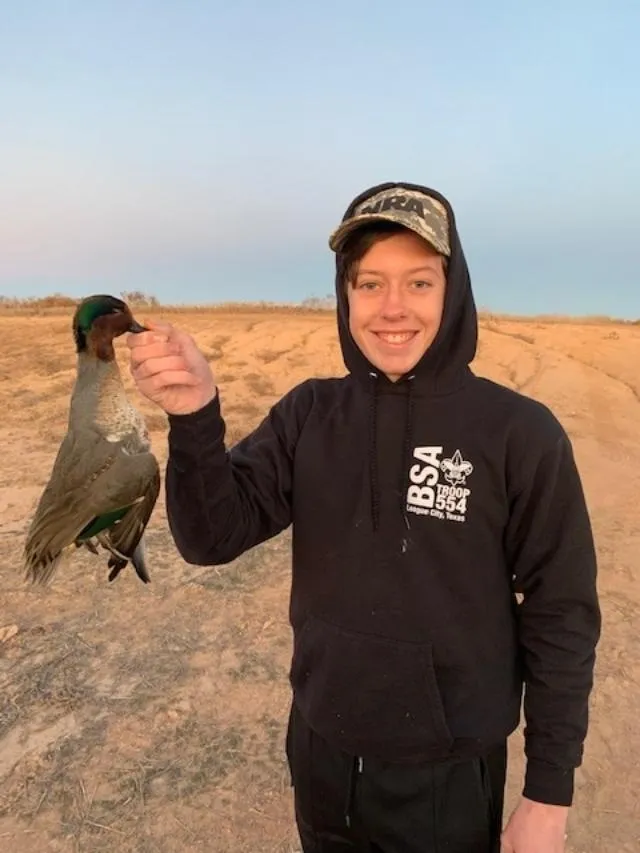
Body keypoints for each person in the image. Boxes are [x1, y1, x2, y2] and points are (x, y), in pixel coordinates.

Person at [127, 181, 601, 853]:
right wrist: (194, 414)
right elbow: (211, 536)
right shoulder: (310, 414)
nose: (392, 309)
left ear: (453, 288)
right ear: (345, 294)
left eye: (419, 282)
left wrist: (549, 792)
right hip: (321, 751)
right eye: (370, 283)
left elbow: (563, 611)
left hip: (446, 774)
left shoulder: (519, 434)